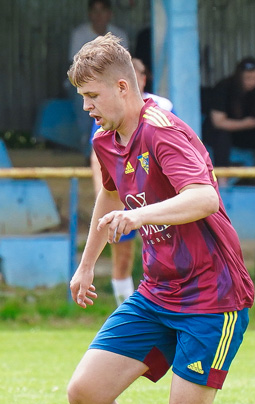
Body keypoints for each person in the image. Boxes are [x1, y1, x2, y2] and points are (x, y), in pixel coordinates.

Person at [67, 34, 255, 404]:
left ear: (122, 87)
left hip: (212, 299)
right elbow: (108, 194)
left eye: (92, 98)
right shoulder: (106, 139)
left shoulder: (165, 133)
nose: (87, 109)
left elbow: (203, 198)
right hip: (159, 292)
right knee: (86, 393)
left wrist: (138, 215)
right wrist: (87, 266)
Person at [88, 57, 173, 306]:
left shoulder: (163, 109)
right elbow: (100, 159)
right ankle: (126, 310)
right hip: (127, 198)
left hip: (160, 201)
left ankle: (165, 309)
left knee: (165, 255)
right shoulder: (108, 116)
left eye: (143, 73)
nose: (87, 105)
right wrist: (103, 195)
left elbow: (181, 147)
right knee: (123, 259)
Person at [68, 0, 129, 154]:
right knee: (81, 96)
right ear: (89, 14)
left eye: (102, 11)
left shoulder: (119, 35)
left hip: (111, 84)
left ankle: (119, 147)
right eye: (95, 11)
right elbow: (76, 68)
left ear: (110, 14)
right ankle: (88, 149)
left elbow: (124, 68)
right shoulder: (79, 34)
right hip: (84, 83)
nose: (98, 15)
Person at [204, 56, 255, 168]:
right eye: (248, 78)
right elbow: (218, 122)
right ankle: (223, 181)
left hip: (244, 134)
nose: (252, 82)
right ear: (239, 76)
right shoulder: (224, 87)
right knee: (222, 136)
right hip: (220, 133)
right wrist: (245, 124)